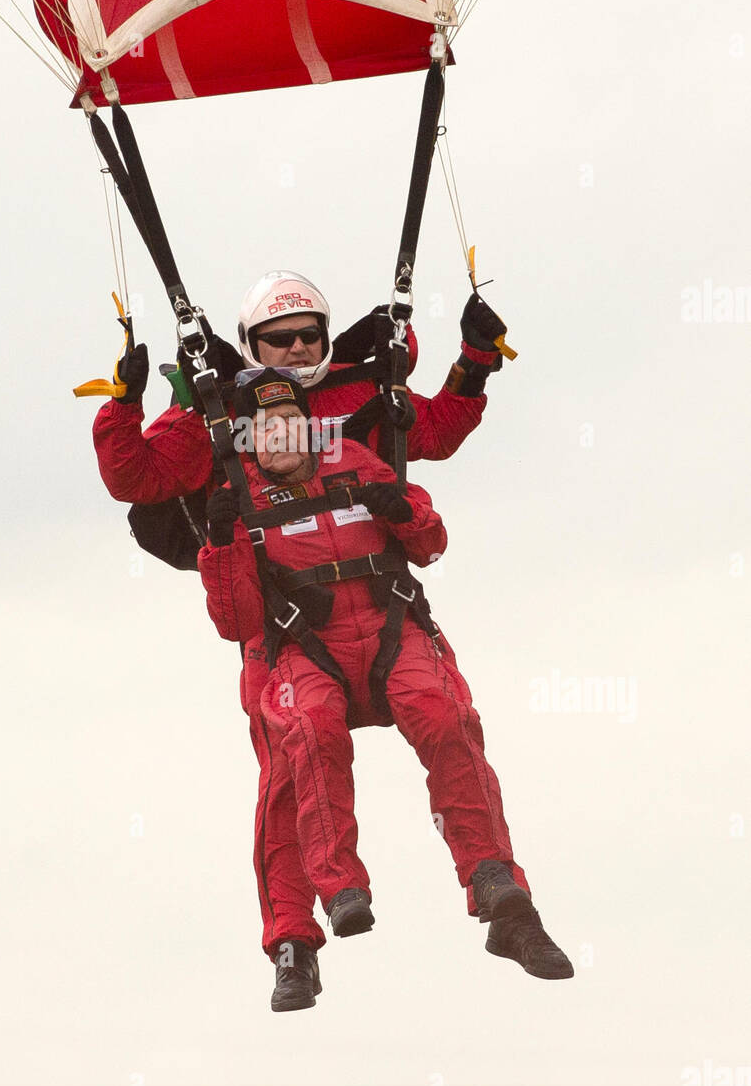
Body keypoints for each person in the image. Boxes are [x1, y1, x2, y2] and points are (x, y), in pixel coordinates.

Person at [93, 270, 507, 1009]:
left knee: (448, 722)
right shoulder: (220, 413)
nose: (293, 351)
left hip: (375, 612)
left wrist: (473, 362)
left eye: (307, 337)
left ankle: (496, 889)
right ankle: (294, 943)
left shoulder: (361, 393)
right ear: (251, 344)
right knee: (291, 773)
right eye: (277, 340)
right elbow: (139, 476)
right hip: (281, 627)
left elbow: (433, 430)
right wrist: (126, 404)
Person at [197, 368, 574, 1003]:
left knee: (444, 715)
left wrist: (403, 511)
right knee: (311, 734)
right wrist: (220, 542)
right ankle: (340, 888)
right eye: (265, 427)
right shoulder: (240, 501)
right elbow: (234, 620)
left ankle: (490, 877)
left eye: (291, 420)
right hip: (304, 648)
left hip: (389, 625)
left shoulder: (356, 462)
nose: (280, 434)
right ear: (247, 438)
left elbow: (431, 544)